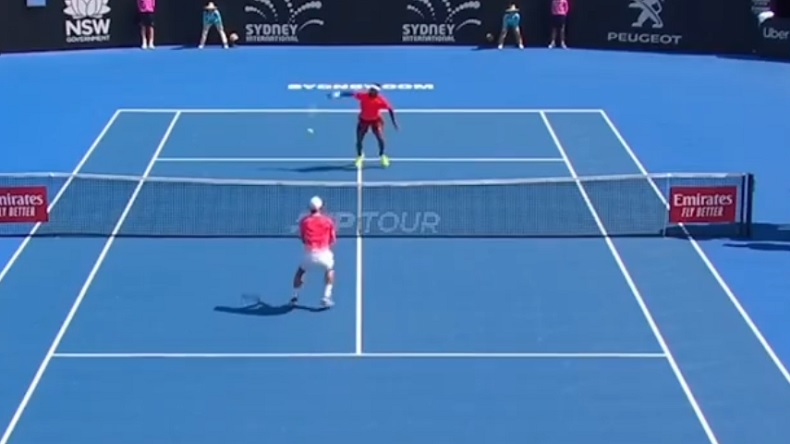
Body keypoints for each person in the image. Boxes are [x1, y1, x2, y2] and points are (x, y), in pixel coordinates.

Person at [330, 85, 398, 168]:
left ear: (377, 92)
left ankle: (382, 156)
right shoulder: (363, 96)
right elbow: (351, 94)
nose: (371, 91)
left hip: (375, 121)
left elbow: (390, 109)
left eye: (373, 90)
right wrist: (339, 94)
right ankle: (359, 156)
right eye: (371, 89)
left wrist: (394, 122)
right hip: (363, 121)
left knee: (380, 139)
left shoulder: (381, 100)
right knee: (359, 139)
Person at [291, 196, 336, 308]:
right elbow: (332, 240)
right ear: (321, 207)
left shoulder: (304, 222)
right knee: (330, 270)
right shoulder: (328, 222)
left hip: (309, 255)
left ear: (309, 208)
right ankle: (326, 296)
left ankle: (294, 296)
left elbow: (302, 239)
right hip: (324, 255)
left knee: (300, 272)